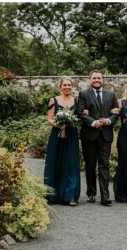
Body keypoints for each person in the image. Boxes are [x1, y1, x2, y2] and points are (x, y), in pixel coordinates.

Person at [77, 70, 119, 206]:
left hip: (105, 135)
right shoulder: (83, 94)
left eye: (99, 78)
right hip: (89, 135)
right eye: (94, 78)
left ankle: (105, 196)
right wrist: (93, 122)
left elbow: (116, 112)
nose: (97, 80)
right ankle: (91, 193)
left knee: (104, 165)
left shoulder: (111, 94)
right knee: (90, 165)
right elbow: (80, 113)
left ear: (103, 79)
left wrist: (108, 120)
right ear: (90, 79)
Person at [43, 76, 81, 206]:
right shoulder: (53, 100)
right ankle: (53, 195)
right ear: (60, 86)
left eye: (69, 85)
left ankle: (70, 195)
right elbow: (49, 119)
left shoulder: (76, 101)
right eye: (65, 85)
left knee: (71, 163)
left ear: (72, 87)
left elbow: (80, 116)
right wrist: (59, 125)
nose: (67, 87)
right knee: (56, 162)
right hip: (57, 135)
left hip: (71, 135)